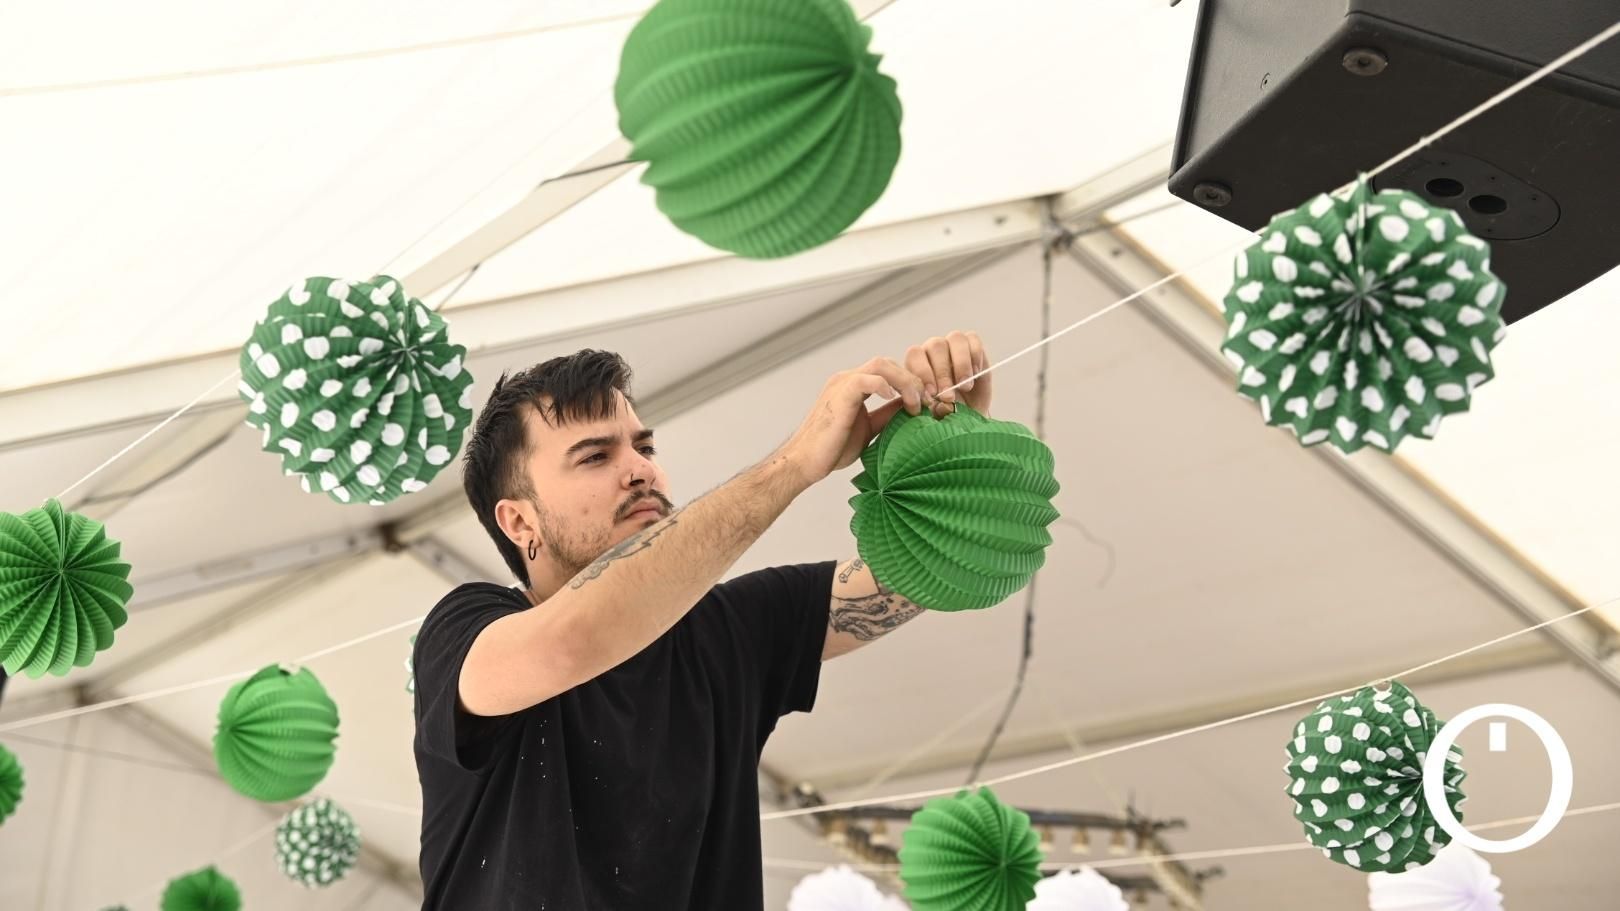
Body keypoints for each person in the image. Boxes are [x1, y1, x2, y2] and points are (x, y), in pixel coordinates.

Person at [413, 331, 994, 910]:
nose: (639, 470)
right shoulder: (465, 627)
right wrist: (793, 463)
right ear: (519, 523)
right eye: (595, 456)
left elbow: (940, 565)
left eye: (644, 447)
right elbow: (568, 643)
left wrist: (947, 445)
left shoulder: (728, 627)